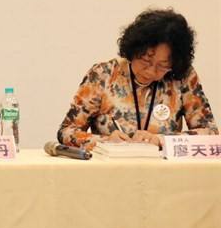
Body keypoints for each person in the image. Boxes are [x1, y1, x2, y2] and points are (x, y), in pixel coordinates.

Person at [57, 8, 217, 149]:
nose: (151, 71)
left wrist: (161, 140)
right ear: (133, 50)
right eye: (146, 60)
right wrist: (104, 141)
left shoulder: (182, 77)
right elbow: (67, 131)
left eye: (162, 66)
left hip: (167, 175)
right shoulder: (103, 75)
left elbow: (210, 133)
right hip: (111, 172)